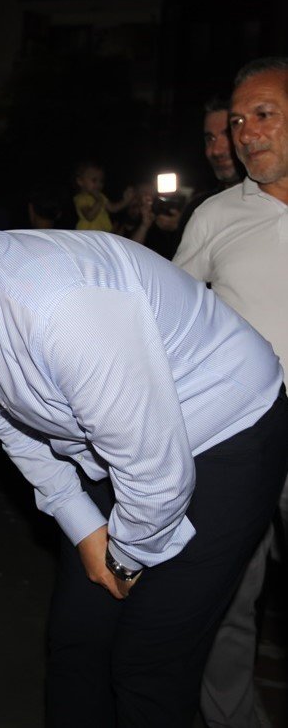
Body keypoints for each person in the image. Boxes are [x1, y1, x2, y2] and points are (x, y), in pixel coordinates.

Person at [0, 161, 288, 727]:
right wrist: (84, 527)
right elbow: (13, 423)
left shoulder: (61, 308)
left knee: (148, 663)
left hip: (227, 431)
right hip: (128, 439)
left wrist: (123, 553)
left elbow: (157, 474)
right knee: (77, 641)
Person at [174, 56, 288, 728]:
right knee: (228, 593)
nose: (245, 133)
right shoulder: (216, 215)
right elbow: (170, 317)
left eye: (263, 114)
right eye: (238, 120)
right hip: (240, 429)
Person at [72, 160, 135, 232]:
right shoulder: (81, 198)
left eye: (101, 181)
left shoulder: (101, 196)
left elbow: (113, 208)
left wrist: (126, 201)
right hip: (87, 235)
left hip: (101, 234)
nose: (99, 184)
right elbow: (89, 216)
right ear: (80, 181)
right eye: (94, 180)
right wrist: (99, 200)